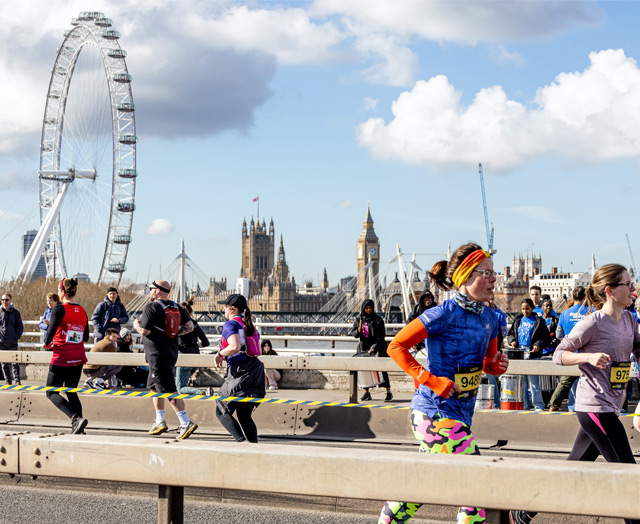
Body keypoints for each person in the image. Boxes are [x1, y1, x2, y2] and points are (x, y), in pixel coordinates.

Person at [377, 243, 508, 524]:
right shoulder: (442, 314)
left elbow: (488, 363)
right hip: (432, 412)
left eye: (494, 272)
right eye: (486, 273)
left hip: (461, 415)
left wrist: (496, 366)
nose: (494, 279)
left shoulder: (491, 319)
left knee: (421, 486)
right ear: (465, 277)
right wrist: (430, 379)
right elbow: (396, 346)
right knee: (479, 485)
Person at [511, 264, 640, 524]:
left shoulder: (628, 320)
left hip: (612, 404)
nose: (633, 288)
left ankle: (522, 512)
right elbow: (559, 354)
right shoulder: (592, 322)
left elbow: (638, 349)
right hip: (594, 407)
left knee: (573, 468)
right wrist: (589, 356)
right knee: (628, 476)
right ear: (611, 291)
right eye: (628, 284)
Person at [132, 280, 198, 440]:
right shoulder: (176, 307)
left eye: (151, 289)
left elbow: (145, 331)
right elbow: (189, 327)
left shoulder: (151, 307)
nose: (150, 291)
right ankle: (160, 420)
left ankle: (185, 421)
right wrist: (172, 334)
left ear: (157, 291)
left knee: (168, 389)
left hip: (157, 355)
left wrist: (135, 325)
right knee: (154, 388)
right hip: (170, 352)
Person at [214, 294, 265, 443]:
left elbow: (235, 347)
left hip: (241, 372)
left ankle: (242, 443)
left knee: (221, 409)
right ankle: (253, 447)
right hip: (256, 371)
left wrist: (219, 354)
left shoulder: (230, 324)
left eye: (224, 306)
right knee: (244, 415)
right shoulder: (249, 324)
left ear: (232, 308)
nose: (223, 309)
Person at [43, 278, 90, 434]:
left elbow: (48, 336)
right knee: (71, 390)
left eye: (58, 289)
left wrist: (47, 343)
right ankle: (79, 427)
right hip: (78, 358)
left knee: (51, 392)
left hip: (62, 357)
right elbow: (85, 337)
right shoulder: (82, 310)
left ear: (62, 292)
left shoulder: (59, 309)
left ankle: (75, 418)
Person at [548, 286, 594, 412]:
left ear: (573, 298)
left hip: (571, 354)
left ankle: (553, 406)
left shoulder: (564, 313)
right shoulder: (592, 311)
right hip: (589, 355)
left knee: (564, 383)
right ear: (586, 297)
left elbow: (558, 335)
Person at [507, 298, 551, 411]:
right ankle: (525, 405)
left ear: (532, 308)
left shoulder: (539, 321)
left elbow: (546, 338)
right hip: (520, 352)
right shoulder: (518, 320)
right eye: (523, 309)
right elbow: (511, 334)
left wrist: (538, 345)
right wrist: (512, 341)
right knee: (522, 382)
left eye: (527, 308)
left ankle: (538, 405)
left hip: (531, 353)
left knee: (534, 382)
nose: (525, 311)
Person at [351, 298, 392, 402]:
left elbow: (381, 336)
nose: (368, 310)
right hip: (363, 347)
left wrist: (374, 347)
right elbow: (353, 333)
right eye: (366, 308)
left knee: (382, 371)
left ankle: (388, 392)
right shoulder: (359, 319)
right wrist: (358, 331)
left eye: (370, 308)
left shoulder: (378, 320)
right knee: (364, 370)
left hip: (377, 347)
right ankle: (367, 392)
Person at [176, 298, 210, 395]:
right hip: (195, 358)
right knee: (183, 382)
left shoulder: (180, 326)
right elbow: (206, 343)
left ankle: (201, 392)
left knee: (180, 388)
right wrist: (195, 344)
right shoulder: (195, 324)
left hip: (184, 358)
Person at [0, 293, 24, 386]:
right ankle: (7, 381)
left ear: (10, 300)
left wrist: (16, 336)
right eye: (3, 300)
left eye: (6, 300)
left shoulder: (15, 313)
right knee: (4, 363)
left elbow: (20, 327)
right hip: (1, 342)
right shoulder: (0, 312)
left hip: (12, 342)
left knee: (15, 362)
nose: (4, 302)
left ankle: (17, 380)